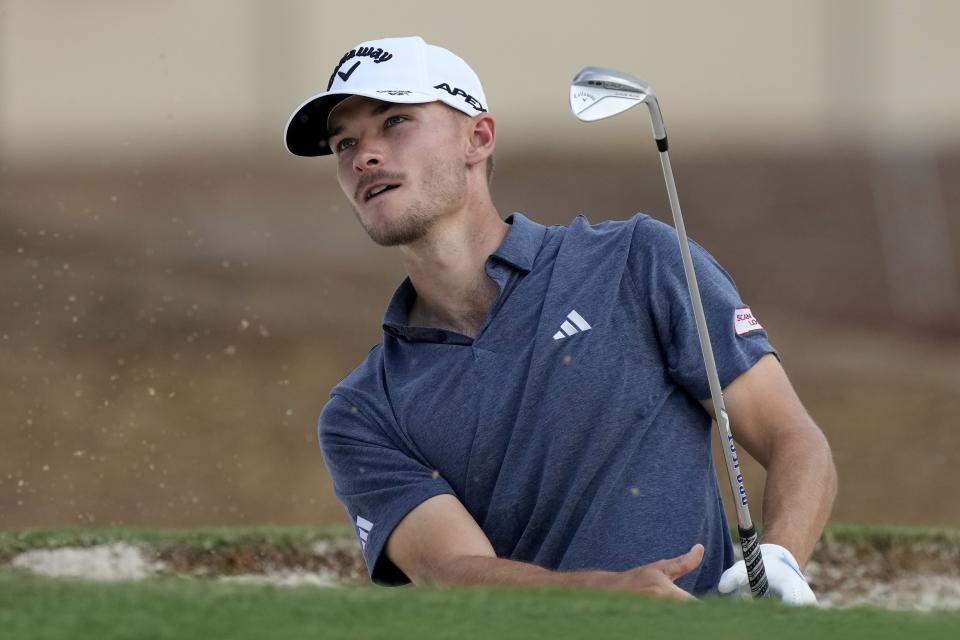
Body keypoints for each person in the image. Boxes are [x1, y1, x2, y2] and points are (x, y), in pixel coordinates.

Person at [284, 36, 837, 603]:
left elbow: (791, 435)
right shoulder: (363, 411)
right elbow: (454, 568)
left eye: (394, 122)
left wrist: (780, 559)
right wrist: (608, 594)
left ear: (477, 138)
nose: (363, 157)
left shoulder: (637, 260)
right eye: (344, 143)